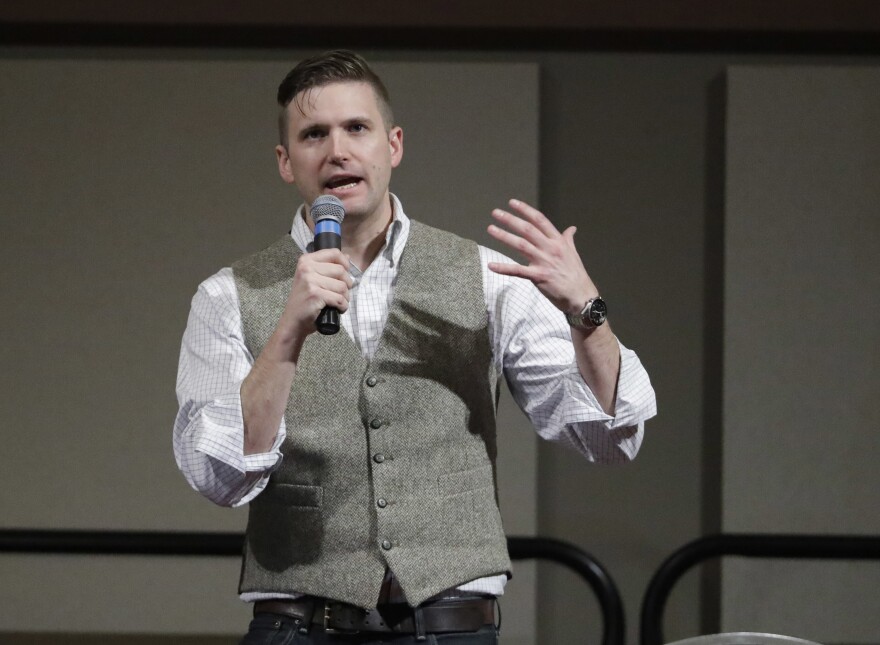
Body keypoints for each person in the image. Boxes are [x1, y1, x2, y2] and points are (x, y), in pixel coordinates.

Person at [174, 50, 656, 644]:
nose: (337, 151)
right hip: (299, 625)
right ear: (285, 161)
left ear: (393, 145)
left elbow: (609, 440)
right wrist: (287, 335)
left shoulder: (485, 276)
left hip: (450, 626)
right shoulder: (229, 295)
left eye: (357, 128)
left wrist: (588, 313)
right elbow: (218, 479)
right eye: (313, 134)